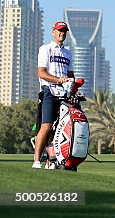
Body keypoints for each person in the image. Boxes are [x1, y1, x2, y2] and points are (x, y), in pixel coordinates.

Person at [33, 21, 75, 169]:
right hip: (49, 91)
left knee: (59, 129)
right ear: (53, 31)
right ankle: (37, 160)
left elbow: (71, 75)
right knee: (46, 125)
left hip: (63, 94)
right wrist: (59, 80)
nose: (62, 33)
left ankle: (51, 161)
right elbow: (41, 72)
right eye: (59, 31)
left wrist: (72, 84)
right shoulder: (46, 49)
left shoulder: (68, 53)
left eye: (64, 31)